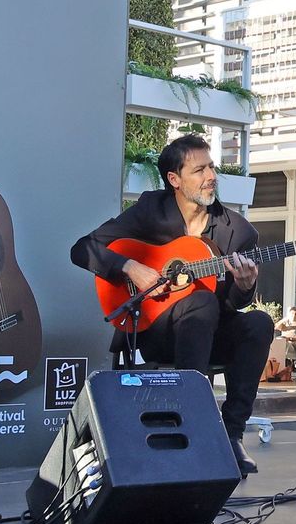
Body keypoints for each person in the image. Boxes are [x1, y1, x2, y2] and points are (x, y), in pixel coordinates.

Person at [70, 134, 272, 475]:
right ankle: (192, 423)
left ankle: (231, 433)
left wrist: (244, 286)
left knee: (258, 322)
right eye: (199, 170)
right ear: (174, 180)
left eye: (212, 167)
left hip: (209, 332)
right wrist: (128, 266)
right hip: (157, 330)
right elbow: (82, 248)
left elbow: (233, 304)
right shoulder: (151, 210)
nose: (211, 177)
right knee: (202, 302)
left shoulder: (237, 231)